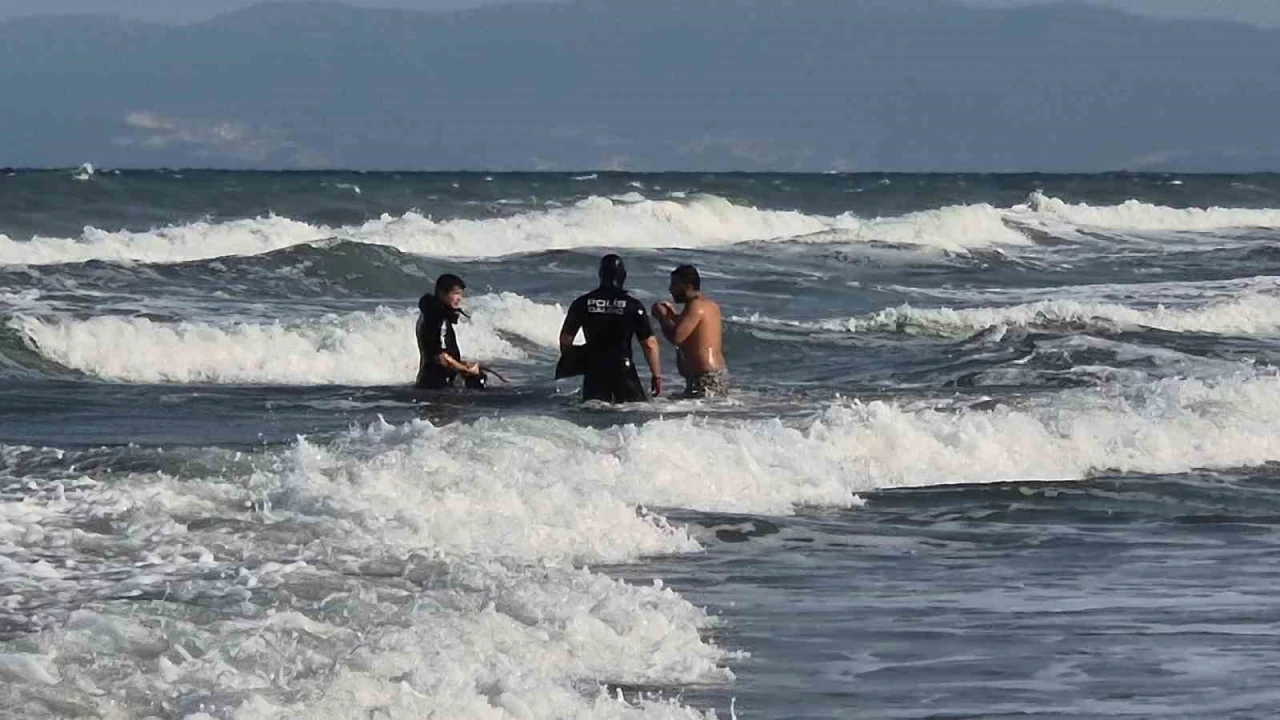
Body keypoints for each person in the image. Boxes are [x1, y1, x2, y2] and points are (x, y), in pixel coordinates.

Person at [559, 254, 662, 403]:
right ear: (623, 276)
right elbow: (649, 344)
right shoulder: (633, 306)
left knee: (594, 411)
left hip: (594, 370)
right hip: (624, 370)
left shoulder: (581, 303)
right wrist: (656, 376)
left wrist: (574, 363)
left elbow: (565, 339)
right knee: (633, 411)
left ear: (601, 274)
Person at [652, 264, 729, 398]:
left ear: (687, 286)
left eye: (675, 284)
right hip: (715, 375)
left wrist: (662, 316)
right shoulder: (710, 305)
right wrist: (672, 316)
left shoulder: (695, 306)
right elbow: (691, 332)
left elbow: (677, 337)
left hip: (705, 378)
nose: (670, 289)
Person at [416, 273, 485, 390]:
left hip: (428, 381)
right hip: (437, 384)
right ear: (442, 294)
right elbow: (442, 358)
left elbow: (436, 352)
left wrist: (462, 363)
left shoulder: (429, 313)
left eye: (461, 294)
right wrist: (467, 371)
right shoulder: (438, 319)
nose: (459, 298)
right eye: (456, 293)